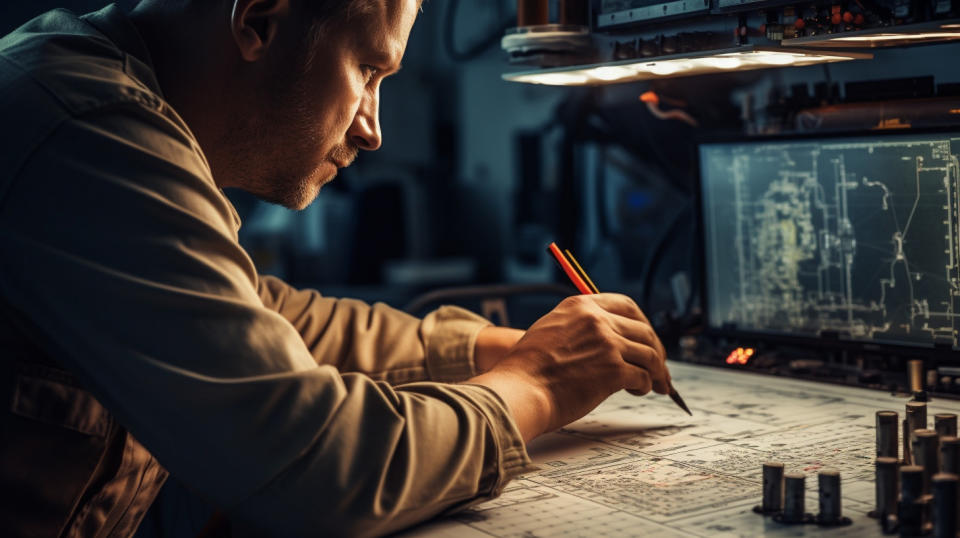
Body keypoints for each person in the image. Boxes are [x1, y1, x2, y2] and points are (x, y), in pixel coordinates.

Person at [0, 0, 672, 535]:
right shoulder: (84, 129)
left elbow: (268, 316)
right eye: (370, 72)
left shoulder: (89, 91)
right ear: (259, 19)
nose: (372, 129)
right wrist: (540, 383)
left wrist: (497, 348)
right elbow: (316, 471)